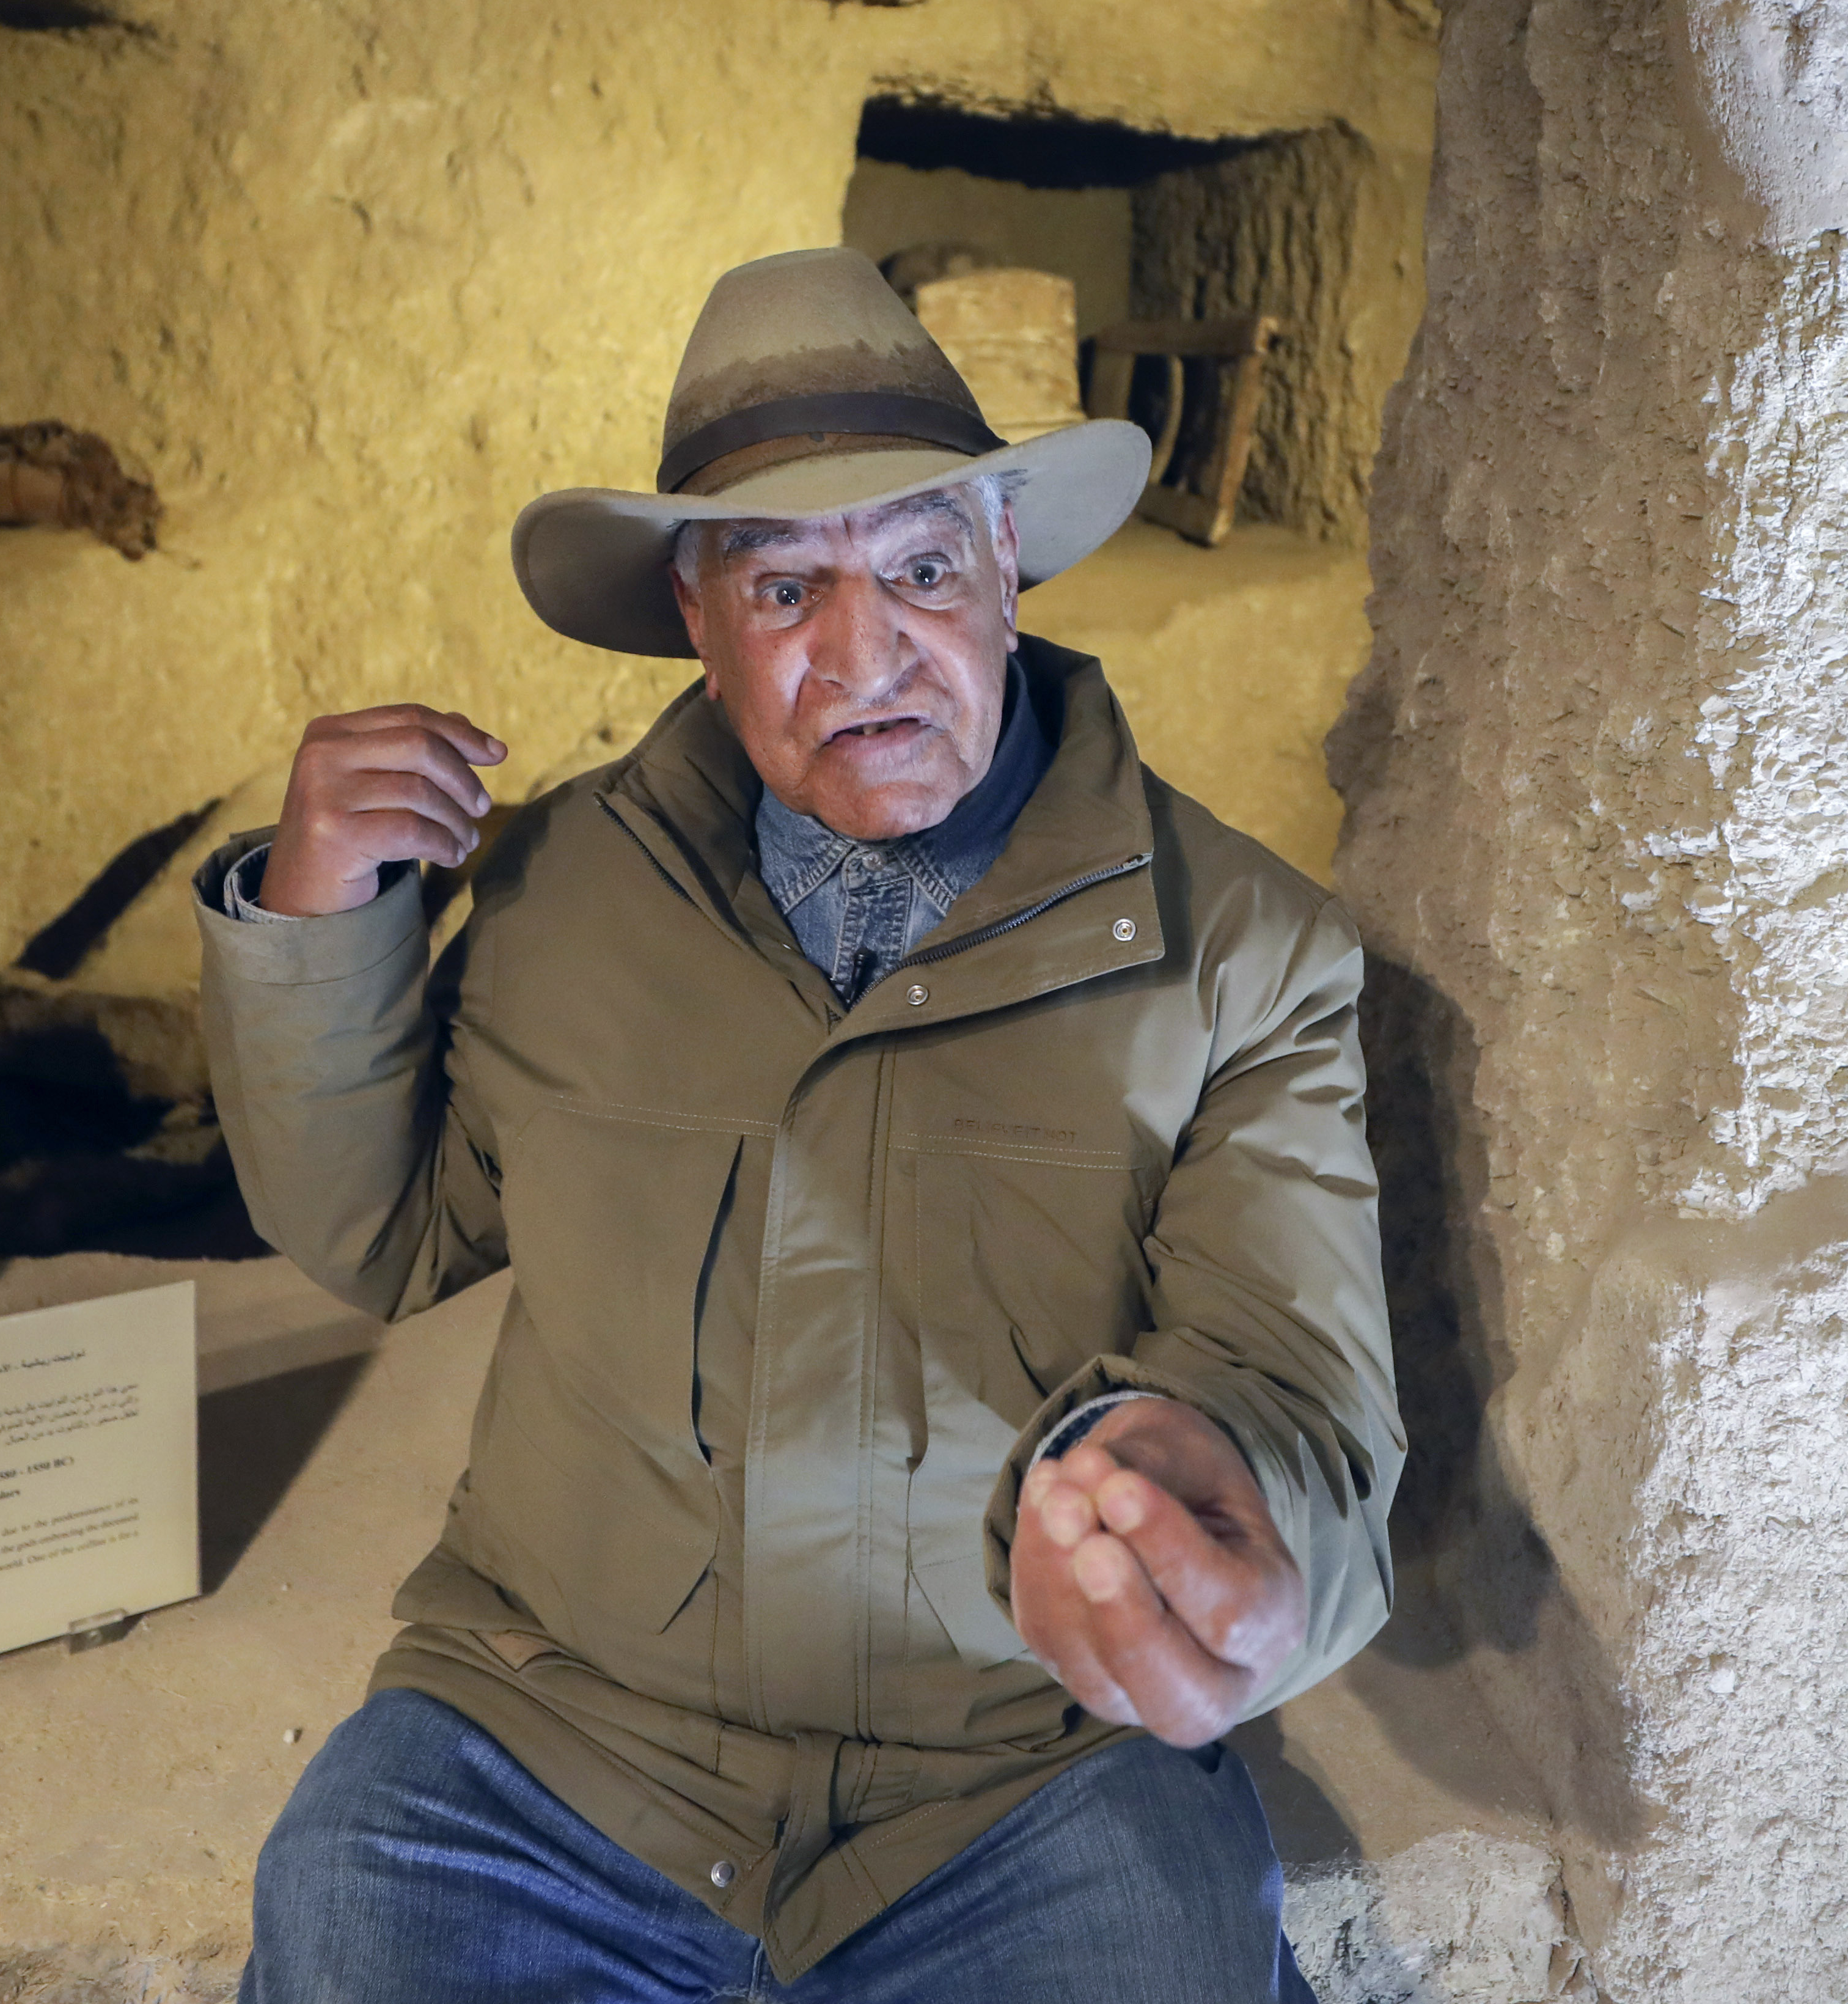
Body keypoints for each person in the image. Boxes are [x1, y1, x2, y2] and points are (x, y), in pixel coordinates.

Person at [199, 246, 1401, 2001]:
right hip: (555, 1737)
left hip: (1022, 1772)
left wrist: (1224, 1501)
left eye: (920, 568)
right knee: (345, 1918)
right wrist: (320, 923)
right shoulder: (564, 888)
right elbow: (385, 1235)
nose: (865, 658)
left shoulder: (1245, 949)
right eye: (783, 594)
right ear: (695, 617)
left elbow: (1291, 1374)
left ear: (1007, 567)